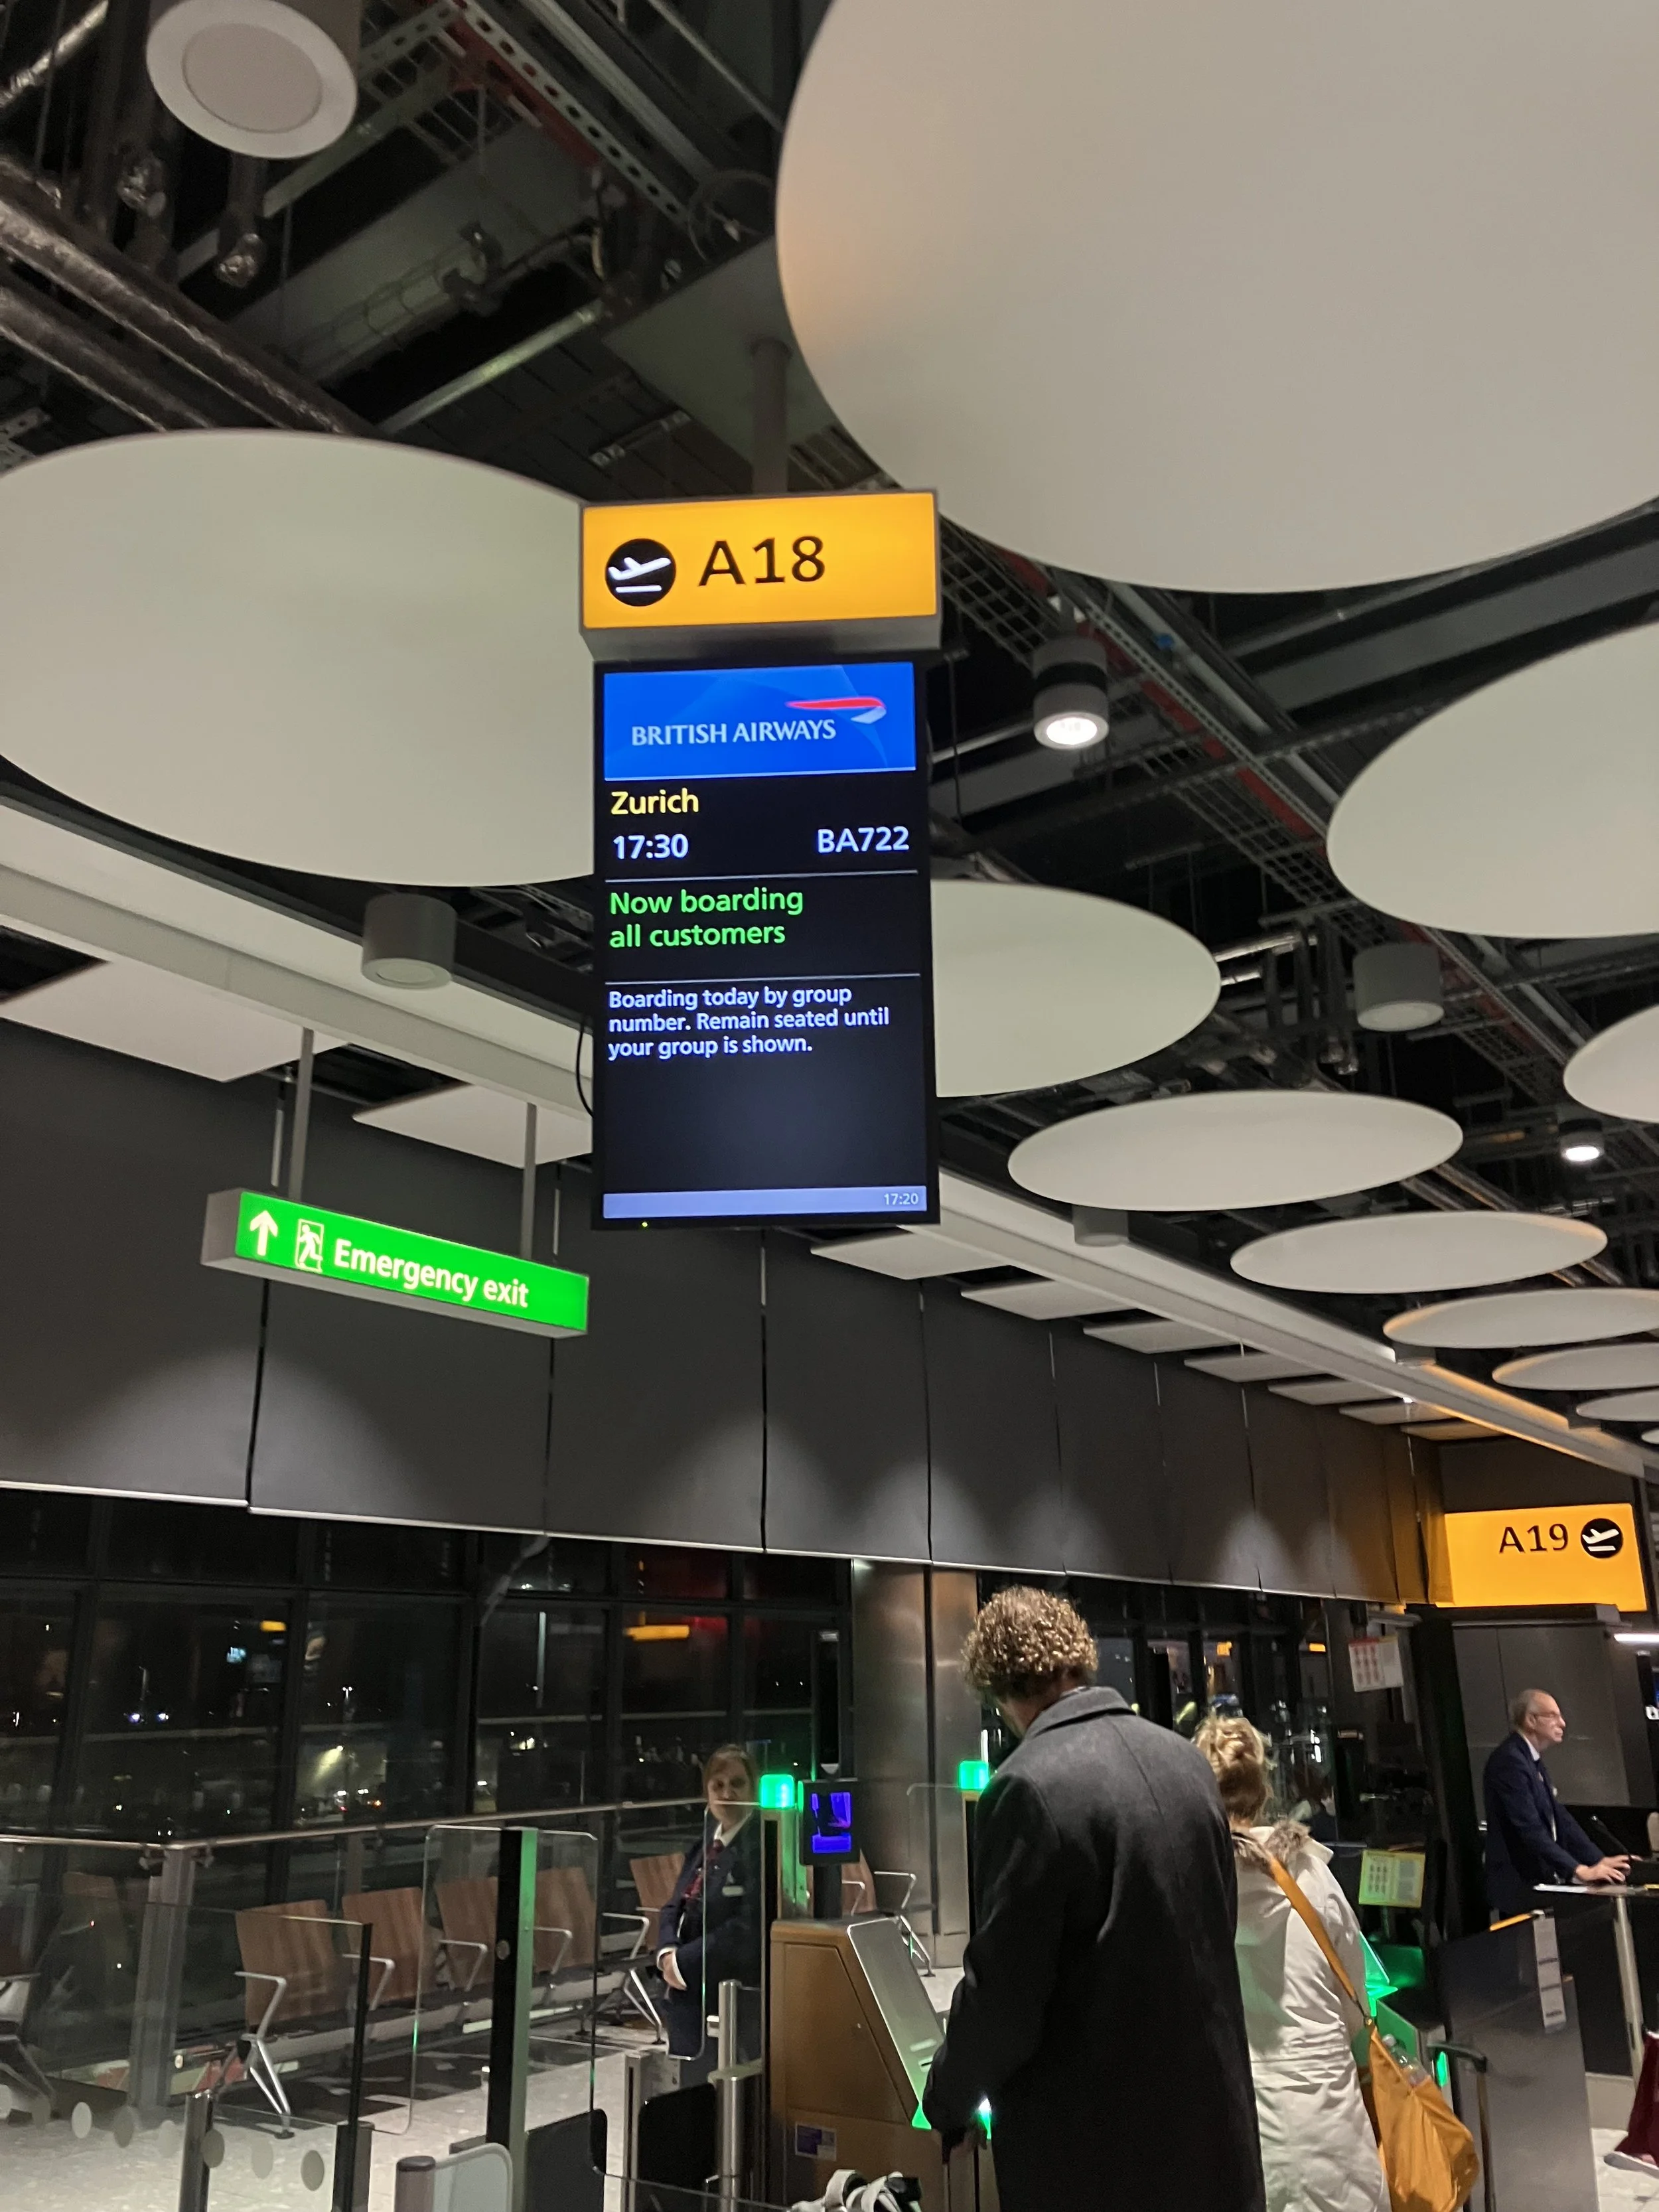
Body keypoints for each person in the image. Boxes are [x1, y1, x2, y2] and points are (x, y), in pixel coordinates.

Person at [922, 1587, 1264, 2212]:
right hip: (1217, 2143)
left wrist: (944, 2098)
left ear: (998, 1686)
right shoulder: (1184, 1761)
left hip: (1105, 2164)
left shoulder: (1027, 1787)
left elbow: (1006, 1994)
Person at [1196, 1713, 1387, 2212]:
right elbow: (1354, 2006)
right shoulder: (1314, 1880)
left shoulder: (1191, 1890)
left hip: (1238, 2134)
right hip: (1331, 2130)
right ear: (1265, 1788)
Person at [1482, 1688, 1630, 1919]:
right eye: (1554, 1716)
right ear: (1531, 1720)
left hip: (1536, 1882)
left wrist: (1597, 1860)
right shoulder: (1510, 1761)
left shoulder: (1531, 1760)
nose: (1562, 1723)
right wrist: (1578, 1870)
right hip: (1520, 1886)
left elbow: (1560, 1819)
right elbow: (1529, 1828)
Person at [655, 1742, 761, 2057]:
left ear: (753, 1788)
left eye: (737, 1784)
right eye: (718, 1785)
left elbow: (748, 1926)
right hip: (686, 1993)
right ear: (707, 1792)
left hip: (728, 1993)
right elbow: (675, 1905)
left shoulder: (760, 1847)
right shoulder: (704, 1844)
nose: (727, 1794)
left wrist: (685, 1963)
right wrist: (666, 1952)